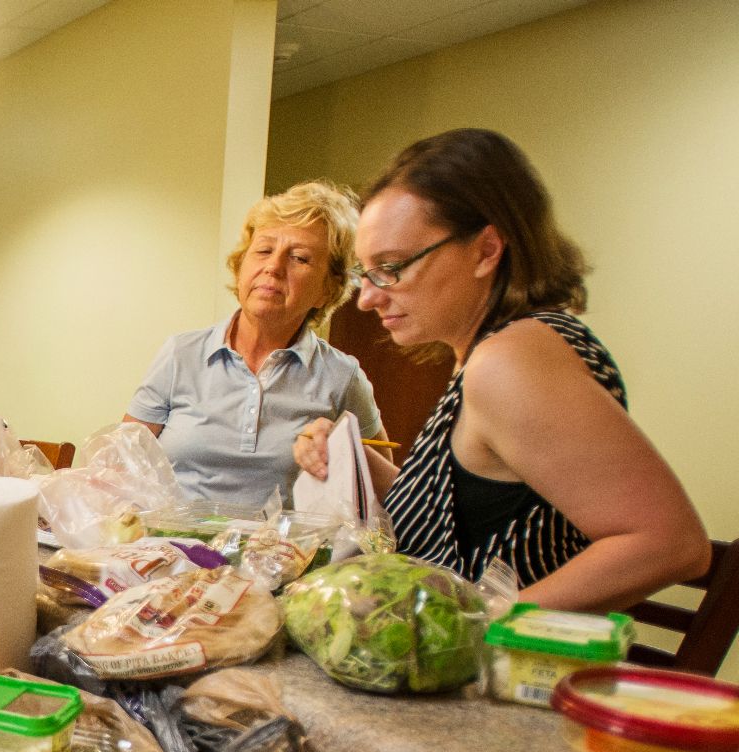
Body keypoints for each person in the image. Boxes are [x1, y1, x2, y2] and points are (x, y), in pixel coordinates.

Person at [295, 129, 709, 610]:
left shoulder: (508, 362)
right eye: (367, 273)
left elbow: (671, 544)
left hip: (504, 674)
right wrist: (358, 465)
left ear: (487, 249)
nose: (368, 298)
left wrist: (474, 631)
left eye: (393, 268)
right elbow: (479, 513)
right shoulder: (498, 351)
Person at [125, 180, 384, 506]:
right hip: (171, 549)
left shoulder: (342, 376)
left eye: (299, 258)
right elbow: (122, 464)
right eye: (263, 250)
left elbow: (385, 492)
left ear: (327, 290)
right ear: (240, 266)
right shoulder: (181, 354)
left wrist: (342, 451)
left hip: (281, 555)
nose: (273, 267)